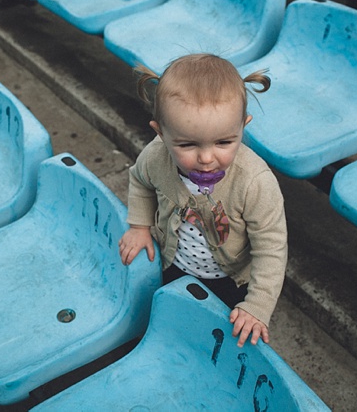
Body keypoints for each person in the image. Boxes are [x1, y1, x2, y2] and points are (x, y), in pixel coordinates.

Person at [119, 54, 288, 348]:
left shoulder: (255, 182)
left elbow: (271, 246)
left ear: (243, 127)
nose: (207, 158)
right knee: (171, 320)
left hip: (230, 277)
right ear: (160, 132)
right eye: (187, 144)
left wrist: (257, 305)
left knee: (217, 336)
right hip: (173, 262)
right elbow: (140, 181)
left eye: (224, 142)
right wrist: (139, 226)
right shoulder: (156, 156)